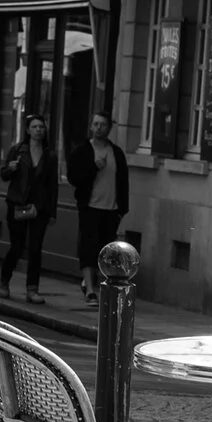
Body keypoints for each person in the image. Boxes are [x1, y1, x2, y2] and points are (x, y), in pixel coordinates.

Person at [0, 114, 58, 304]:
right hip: (17, 204)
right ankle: (4, 281)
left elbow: (52, 185)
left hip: (39, 208)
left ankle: (32, 290)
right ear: (28, 130)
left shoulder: (49, 155)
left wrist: (52, 211)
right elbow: (3, 175)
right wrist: (11, 168)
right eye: (35, 127)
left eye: (41, 127)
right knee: (17, 247)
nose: (38, 130)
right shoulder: (17, 151)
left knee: (35, 249)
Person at [69, 112, 129, 303]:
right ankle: (90, 289)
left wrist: (122, 209)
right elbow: (74, 178)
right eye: (95, 124)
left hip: (111, 209)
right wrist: (93, 167)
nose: (98, 128)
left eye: (103, 125)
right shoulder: (82, 151)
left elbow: (123, 182)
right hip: (90, 206)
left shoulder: (116, 153)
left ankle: (101, 285)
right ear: (91, 127)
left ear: (109, 128)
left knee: (106, 250)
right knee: (88, 247)